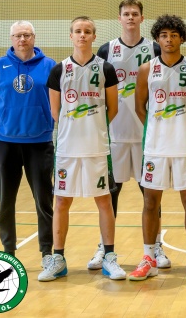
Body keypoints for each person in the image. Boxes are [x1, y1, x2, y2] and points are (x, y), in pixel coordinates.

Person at [39, 16, 126, 281]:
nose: (82, 35)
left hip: (97, 148)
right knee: (61, 201)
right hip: (67, 149)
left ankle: (109, 256)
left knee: (104, 200)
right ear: (71, 36)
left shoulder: (106, 68)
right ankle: (58, 259)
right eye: (78, 31)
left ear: (93, 36)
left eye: (87, 31)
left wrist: (93, 127)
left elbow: (113, 109)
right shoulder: (59, 70)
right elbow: (56, 112)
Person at [128, 15, 186, 282]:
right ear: (157, 39)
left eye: (174, 35)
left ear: (182, 38)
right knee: (150, 202)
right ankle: (148, 257)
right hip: (155, 148)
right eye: (164, 35)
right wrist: (157, 129)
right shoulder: (146, 69)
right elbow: (139, 107)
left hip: (185, 147)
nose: (169, 39)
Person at [93, 0, 166, 270]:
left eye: (135, 13)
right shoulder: (106, 49)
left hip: (148, 136)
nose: (131, 18)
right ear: (120, 18)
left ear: (142, 18)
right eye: (126, 14)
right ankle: (104, 249)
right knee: (110, 194)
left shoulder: (155, 48)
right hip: (115, 135)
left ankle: (156, 247)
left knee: (151, 196)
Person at [0, 21, 56, 266]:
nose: (22, 39)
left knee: (44, 200)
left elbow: (57, 101)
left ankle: (47, 252)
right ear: (11, 39)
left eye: (26, 35)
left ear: (34, 37)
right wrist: (6, 122)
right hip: (5, 144)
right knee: (6, 201)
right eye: (17, 36)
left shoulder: (50, 66)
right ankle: (8, 251)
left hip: (40, 143)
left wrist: (44, 121)